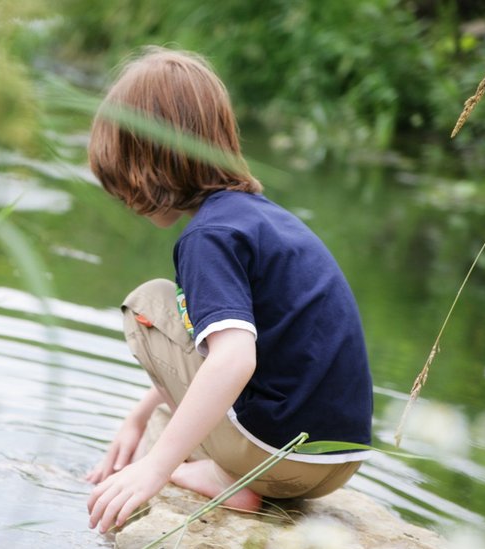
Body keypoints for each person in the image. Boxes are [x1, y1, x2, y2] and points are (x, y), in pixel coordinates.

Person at [84, 47, 374, 534]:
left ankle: (226, 477)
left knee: (149, 304)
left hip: (277, 459)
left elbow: (235, 360)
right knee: (181, 365)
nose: (123, 199)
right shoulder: (259, 217)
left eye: (123, 180)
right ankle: (217, 460)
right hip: (337, 460)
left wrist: (155, 469)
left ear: (153, 159)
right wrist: (140, 414)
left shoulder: (207, 238)